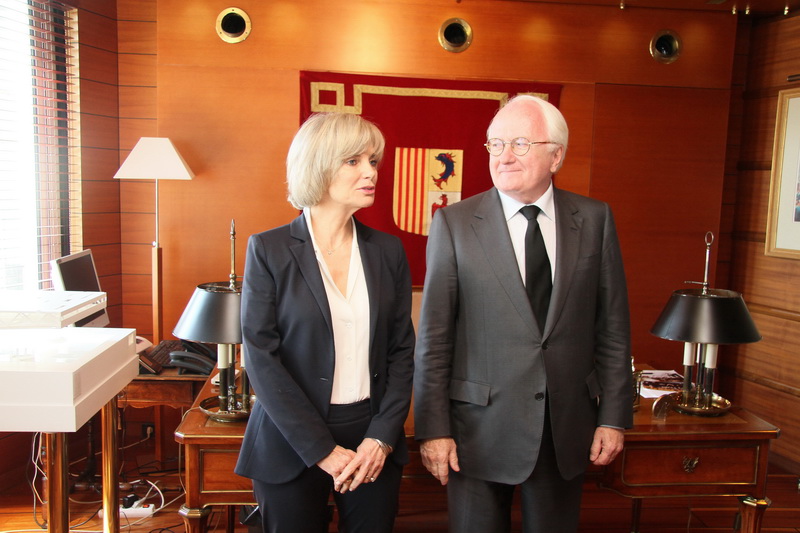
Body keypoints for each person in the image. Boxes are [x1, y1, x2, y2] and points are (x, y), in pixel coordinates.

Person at [413, 95, 633, 533]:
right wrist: (433, 428)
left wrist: (613, 416)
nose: (504, 156)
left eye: (519, 142)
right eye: (495, 144)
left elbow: (612, 328)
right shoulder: (455, 224)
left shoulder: (594, 219)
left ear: (556, 155)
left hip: (565, 426)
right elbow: (435, 337)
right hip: (476, 429)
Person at [235, 112, 415, 533]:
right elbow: (261, 359)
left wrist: (381, 438)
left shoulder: (388, 251)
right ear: (318, 165)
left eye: (373, 161)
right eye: (353, 161)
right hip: (291, 440)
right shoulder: (269, 249)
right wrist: (322, 450)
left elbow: (402, 353)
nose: (370, 172)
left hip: (372, 439)